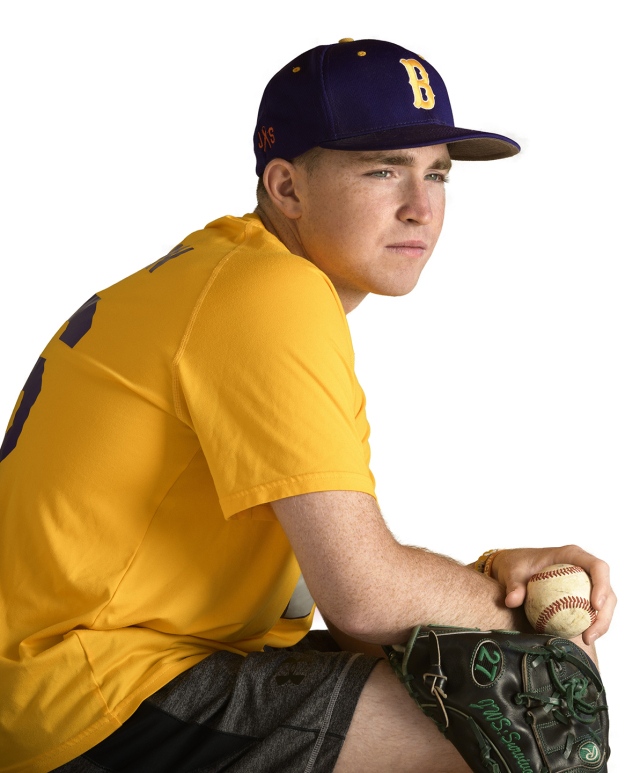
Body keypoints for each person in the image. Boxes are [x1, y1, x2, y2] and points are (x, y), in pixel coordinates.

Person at [0, 37, 615, 773]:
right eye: (384, 169)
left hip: (104, 673)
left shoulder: (237, 283)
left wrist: (490, 580)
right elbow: (363, 596)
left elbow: (366, 607)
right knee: (534, 699)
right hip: (88, 694)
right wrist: (524, 615)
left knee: (472, 676)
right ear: (287, 188)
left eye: (438, 174)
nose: (421, 207)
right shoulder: (270, 295)